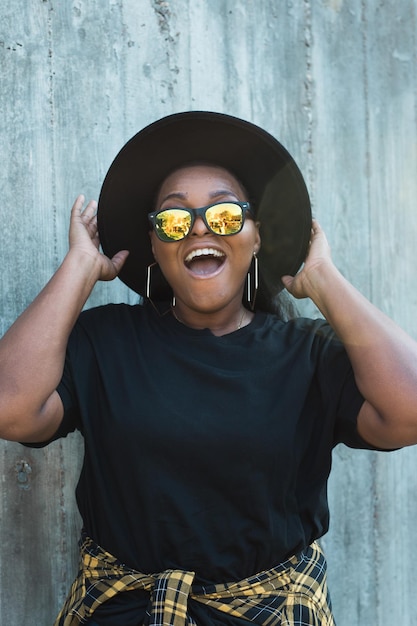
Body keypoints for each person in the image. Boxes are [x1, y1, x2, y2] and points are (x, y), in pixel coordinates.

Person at [1, 111, 417, 626]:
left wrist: (324, 278)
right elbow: (11, 410)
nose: (199, 227)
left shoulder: (310, 355)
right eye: (174, 220)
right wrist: (79, 269)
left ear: (256, 236)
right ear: (155, 244)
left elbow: (410, 412)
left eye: (224, 214)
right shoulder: (105, 341)